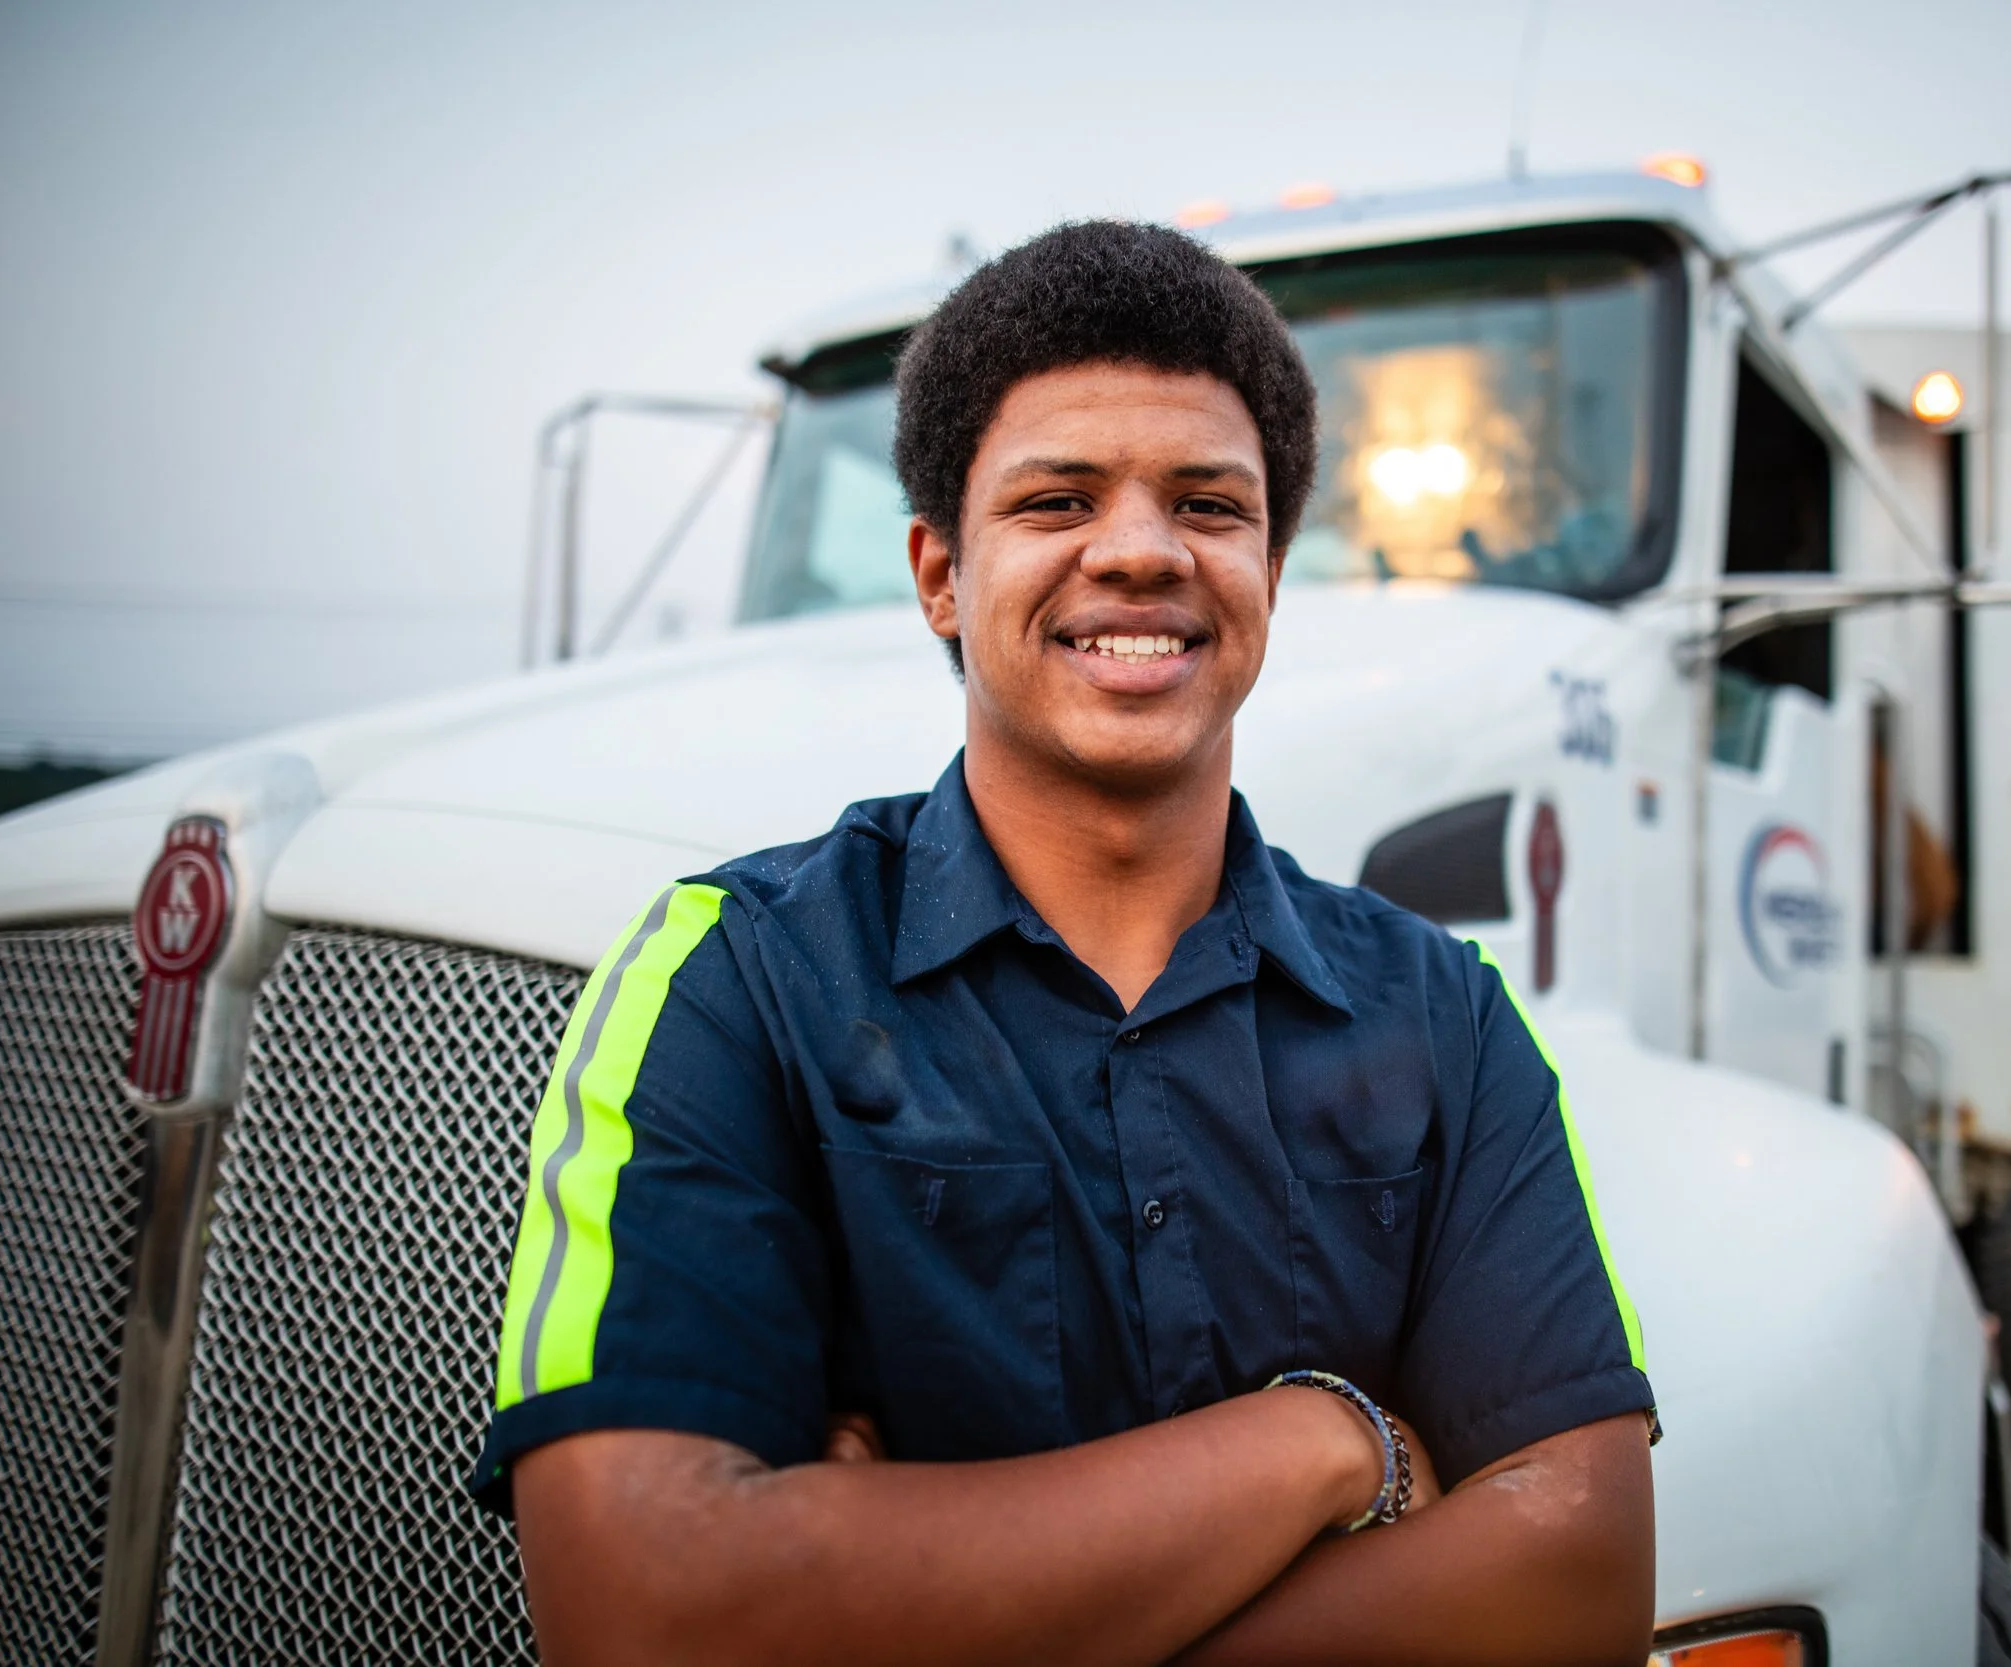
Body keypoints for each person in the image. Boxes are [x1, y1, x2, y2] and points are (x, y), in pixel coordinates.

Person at [473, 220, 1658, 1666]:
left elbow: (1583, 1567)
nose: (1141, 549)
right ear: (939, 577)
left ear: (1271, 572)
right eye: (1057, 499)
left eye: (1210, 505)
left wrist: (893, 1587)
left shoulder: (1446, 1012)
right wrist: (1329, 1441)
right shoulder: (735, 976)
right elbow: (647, 1608)